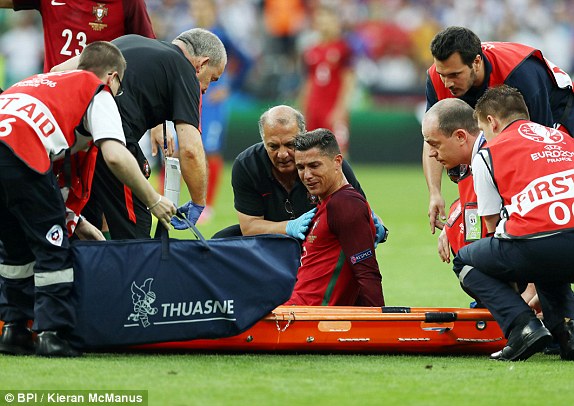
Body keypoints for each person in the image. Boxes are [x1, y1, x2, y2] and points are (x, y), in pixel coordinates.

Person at [0, 41, 176, 357]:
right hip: (20, 151)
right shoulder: (96, 91)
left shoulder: (36, 82)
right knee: (52, 249)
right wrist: (152, 199)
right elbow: (116, 156)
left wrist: (74, 218)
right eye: (119, 86)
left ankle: (14, 330)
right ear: (111, 77)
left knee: (15, 248)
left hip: (10, 145)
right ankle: (53, 334)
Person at [54, 28, 227, 239]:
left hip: (73, 140)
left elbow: (58, 70)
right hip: (113, 141)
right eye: (213, 79)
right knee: (137, 236)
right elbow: (190, 150)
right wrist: (199, 202)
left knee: (87, 228)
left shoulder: (129, 39)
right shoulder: (186, 71)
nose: (207, 88)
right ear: (202, 64)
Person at [452, 85, 574, 361]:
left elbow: (494, 228)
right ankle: (568, 330)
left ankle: (523, 328)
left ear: (491, 122)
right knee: (547, 260)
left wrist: (517, 292)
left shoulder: (489, 151)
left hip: (536, 243)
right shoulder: (566, 140)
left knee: (466, 260)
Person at [423, 26, 574, 235]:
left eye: (455, 74)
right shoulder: (436, 78)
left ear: (476, 62)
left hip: (559, 114)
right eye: (443, 75)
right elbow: (433, 138)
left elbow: (539, 148)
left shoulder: (520, 74)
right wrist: (435, 194)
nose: (447, 83)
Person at [213, 105, 387, 245]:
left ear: (303, 136)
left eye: (290, 144)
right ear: (263, 140)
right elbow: (249, 227)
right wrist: (289, 227)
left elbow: (360, 211)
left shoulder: (328, 162)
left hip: (320, 241)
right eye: (273, 146)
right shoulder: (247, 165)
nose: (282, 154)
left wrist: (377, 227)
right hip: (270, 242)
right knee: (220, 241)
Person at [284, 129, 384, 306]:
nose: (306, 176)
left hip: (308, 322)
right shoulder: (326, 203)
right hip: (296, 312)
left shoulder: (345, 205)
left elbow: (366, 273)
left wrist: (377, 326)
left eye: (314, 166)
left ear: (337, 161)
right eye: (301, 167)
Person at [188, 0, 252, 224]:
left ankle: (208, 205)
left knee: (211, 150)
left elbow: (246, 61)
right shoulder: (188, 36)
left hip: (213, 103)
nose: (198, 12)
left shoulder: (221, 36)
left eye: (203, 7)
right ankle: (170, 198)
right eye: (195, 7)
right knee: (178, 148)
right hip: (192, 98)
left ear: (213, 10)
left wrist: (229, 87)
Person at [0, 0, 156, 73]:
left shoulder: (129, 3)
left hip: (104, 101)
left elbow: (150, 56)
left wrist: (155, 124)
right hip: (55, 96)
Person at [298, 4, 355, 157]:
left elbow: (349, 80)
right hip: (314, 107)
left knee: (337, 152)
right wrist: (303, 107)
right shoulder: (310, 50)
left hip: (332, 106)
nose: (323, 23)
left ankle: (342, 181)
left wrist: (341, 108)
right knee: (311, 152)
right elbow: (308, 81)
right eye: (320, 19)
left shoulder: (344, 48)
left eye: (327, 19)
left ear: (336, 22)